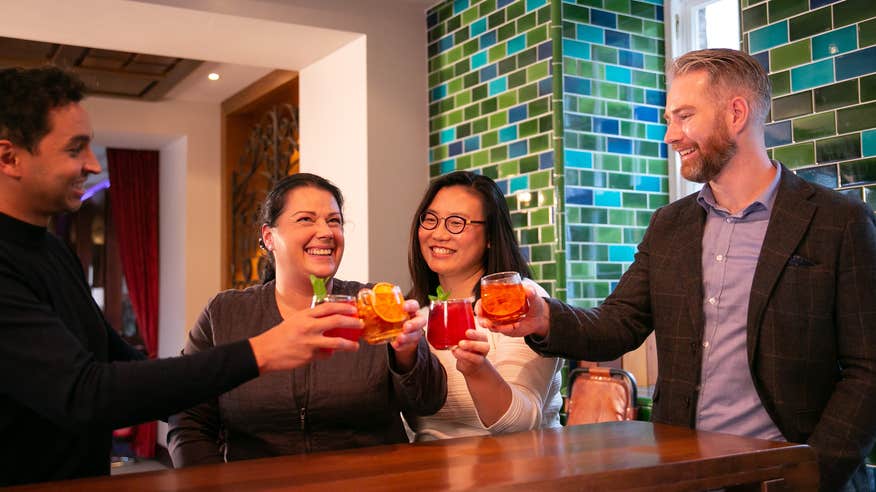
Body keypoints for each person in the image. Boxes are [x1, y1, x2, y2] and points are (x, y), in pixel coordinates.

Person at [481, 48, 876, 492]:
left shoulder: (839, 222)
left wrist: (810, 475)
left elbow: (868, 370)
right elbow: (618, 324)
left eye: (684, 116)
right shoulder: (670, 225)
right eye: (669, 119)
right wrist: (546, 317)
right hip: (685, 476)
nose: (671, 135)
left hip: (787, 477)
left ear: (736, 114)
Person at [0, 66, 368, 486]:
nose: (92, 165)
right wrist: (262, 351)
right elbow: (86, 393)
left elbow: (117, 357)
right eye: (75, 149)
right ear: (9, 157)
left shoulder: (51, 249)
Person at [167, 173, 447, 465]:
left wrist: (408, 355)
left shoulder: (376, 303)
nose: (326, 231)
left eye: (334, 221)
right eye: (306, 219)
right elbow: (189, 419)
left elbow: (428, 402)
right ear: (268, 237)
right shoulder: (224, 314)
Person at [405, 170, 561, 440]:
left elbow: (523, 424)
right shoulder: (419, 314)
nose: (438, 234)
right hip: (430, 476)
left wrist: (477, 370)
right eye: (430, 220)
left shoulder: (521, 302)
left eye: (457, 223)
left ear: (490, 237)